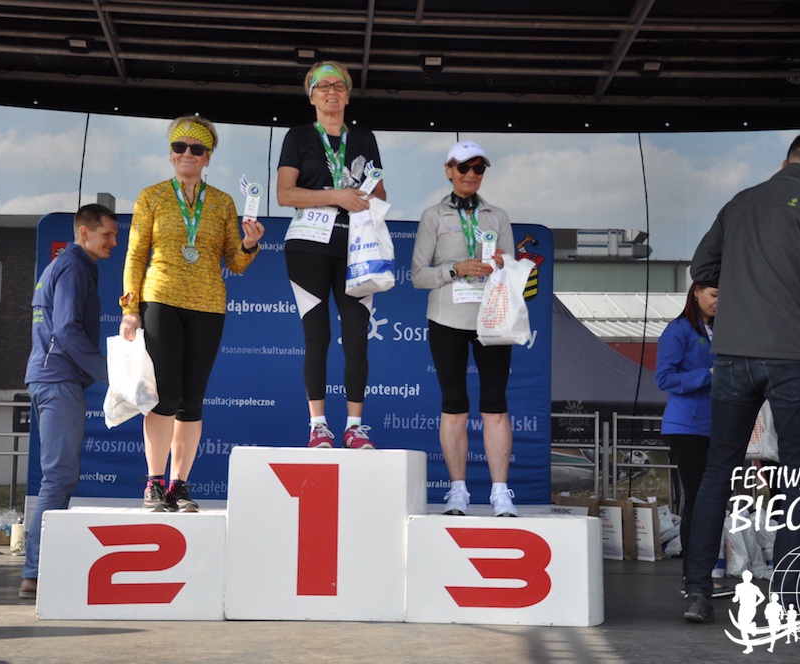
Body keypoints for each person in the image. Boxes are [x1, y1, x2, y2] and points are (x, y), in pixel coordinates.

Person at [683, 131, 800, 623]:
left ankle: (697, 591)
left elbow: (702, 266)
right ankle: (784, 595)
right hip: (791, 355)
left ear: (787, 162)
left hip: (733, 353)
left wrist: (747, 283)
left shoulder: (739, 203)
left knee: (718, 470)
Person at [120, 115, 264, 512]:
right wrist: (130, 308)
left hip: (208, 306)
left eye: (197, 149)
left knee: (192, 400)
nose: (187, 153)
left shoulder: (222, 202)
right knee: (164, 395)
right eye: (179, 147)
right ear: (170, 155)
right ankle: (154, 482)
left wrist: (250, 245)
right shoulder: (151, 196)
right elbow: (135, 254)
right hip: (160, 299)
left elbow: (235, 262)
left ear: (208, 157)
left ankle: (179, 485)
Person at [276, 61, 386, 449]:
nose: (331, 92)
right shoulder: (298, 136)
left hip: (356, 245)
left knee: (356, 336)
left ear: (348, 96)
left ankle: (355, 426)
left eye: (339, 86)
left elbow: (381, 193)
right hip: (308, 243)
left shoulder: (364, 138)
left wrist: (363, 195)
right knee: (317, 335)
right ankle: (318, 425)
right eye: (323, 87)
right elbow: (284, 194)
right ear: (312, 97)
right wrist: (336, 195)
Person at [411, 141, 519, 517]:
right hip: (448, 319)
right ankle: (458, 491)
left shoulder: (497, 216)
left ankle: (500, 493)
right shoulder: (433, 216)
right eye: (463, 167)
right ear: (449, 170)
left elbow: (513, 271)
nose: (471, 174)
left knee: (495, 406)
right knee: (454, 406)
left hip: (491, 319)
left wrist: (504, 264)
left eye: (478, 168)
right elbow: (418, 275)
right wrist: (457, 269)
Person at [20, 203, 119, 600]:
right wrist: (111, 373)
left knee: (58, 476)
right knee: (59, 477)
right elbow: (66, 329)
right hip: (58, 379)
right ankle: (35, 572)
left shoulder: (65, 265)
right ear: (83, 233)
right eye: (107, 234)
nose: (114, 241)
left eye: (115, 235)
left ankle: (38, 569)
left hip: (49, 378)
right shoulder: (75, 266)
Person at [655, 280, 733, 598]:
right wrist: (708, 375)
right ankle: (693, 577)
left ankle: (701, 575)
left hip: (717, 426)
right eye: (714, 294)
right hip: (686, 426)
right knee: (698, 498)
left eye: (723, 296)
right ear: (696, 291)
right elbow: (664, 377)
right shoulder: (679, 330)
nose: (718, 301)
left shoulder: (723, 329)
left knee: (712, 499)